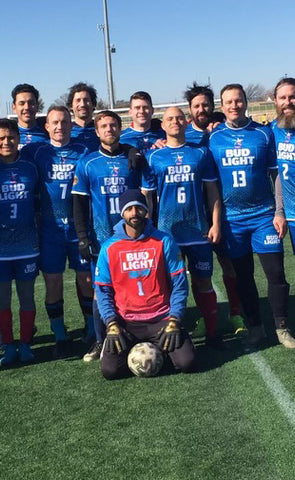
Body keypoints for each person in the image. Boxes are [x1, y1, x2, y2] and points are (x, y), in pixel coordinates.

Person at [209, 83, 295, 348]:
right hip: (233, 221)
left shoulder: (263, 133)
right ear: (222, 107)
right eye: (229, 102)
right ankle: (256, 328)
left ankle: (282, 326)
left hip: (263, 217)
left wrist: (279, 212)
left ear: (246, 102)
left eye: (238, 100)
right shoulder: (213, 137)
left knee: (276, 274)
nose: (234, 105)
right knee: (243, 277)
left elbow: (276, 174)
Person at [72, 110, 154, 361]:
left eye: (113, 125)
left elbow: (148, 193)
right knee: (101, 291)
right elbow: (79, 203)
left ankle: (140, 333)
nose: (109, 129)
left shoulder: (135, 159)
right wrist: (83, 237)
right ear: (96, 132)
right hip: (102, 238)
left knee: (134, 284)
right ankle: (101, 340)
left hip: (133, 235)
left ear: (121, 128)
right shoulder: (87, 163)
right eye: (104, 126)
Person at [143, 106, 224, 349]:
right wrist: (149, 230)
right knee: (167, 286)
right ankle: (169, 334)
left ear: (186, 122)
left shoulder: (200, 153)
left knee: (203, 282)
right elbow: (147, 196)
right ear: (163, 125)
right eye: (170, 119)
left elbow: (212, 191)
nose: (175, 121)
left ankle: (212, 334)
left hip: (198, 231)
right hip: (167, 234)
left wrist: (216, 223)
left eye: (179, 118)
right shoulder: (153, 156)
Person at [95, 189, 196, 379]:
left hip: (161, 319)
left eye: (139, 208)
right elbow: (103, 291)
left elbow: (179, 284)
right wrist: (111, 323)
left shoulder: (163, 240)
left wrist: (174, 318)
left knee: (187, 362)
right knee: (110, 371)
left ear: (146, 211)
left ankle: (169, 341)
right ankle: (145, 347)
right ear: (122, 213)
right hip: (127, 322)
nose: (134, 213)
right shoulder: (109, 247)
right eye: (129, 209)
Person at [23, 106, 94, 358]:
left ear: (71, 124)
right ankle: (60, 336)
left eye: (64, 122)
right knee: (53, 282)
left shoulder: (84, 151)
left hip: (79, 229)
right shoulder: (36, 152)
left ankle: (92, 329)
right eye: (54, 122)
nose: (59, 127)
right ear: (46, 126)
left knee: (86, 280)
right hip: (50, 230)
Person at [184, 83, 245, 335]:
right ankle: (204, 316)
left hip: (223, 210)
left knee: (228, 264)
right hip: (193, 215)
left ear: (213, 107)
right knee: (196, 271)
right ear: (190, 110)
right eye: (197, 105)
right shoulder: (181, 136)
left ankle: (236, 313)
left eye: (205, 104)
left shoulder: (221, 133)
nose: (201, 109)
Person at [0, 119, 39, 366]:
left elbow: (37, 203)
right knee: (2, 300)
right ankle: (8, 345)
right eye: (1, 138)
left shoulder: (30, 167)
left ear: (18, 139)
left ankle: (25, 344)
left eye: (10, 137)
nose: (6, 142)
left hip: (27, 246)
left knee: (27, 296)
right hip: (1, 249)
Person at [11, 83, 48, 149]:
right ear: (14, 108)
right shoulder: (7, 135)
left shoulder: (49, 131)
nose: (27, 107)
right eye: (21, 103)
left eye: (31, 103)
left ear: (37, 106)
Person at [67, 82, 100, 152]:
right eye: (78, 100)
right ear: (71, 106)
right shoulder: (65, 132)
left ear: (93, 104)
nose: (82, 104)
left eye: (86, 100)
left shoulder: (102, 130)